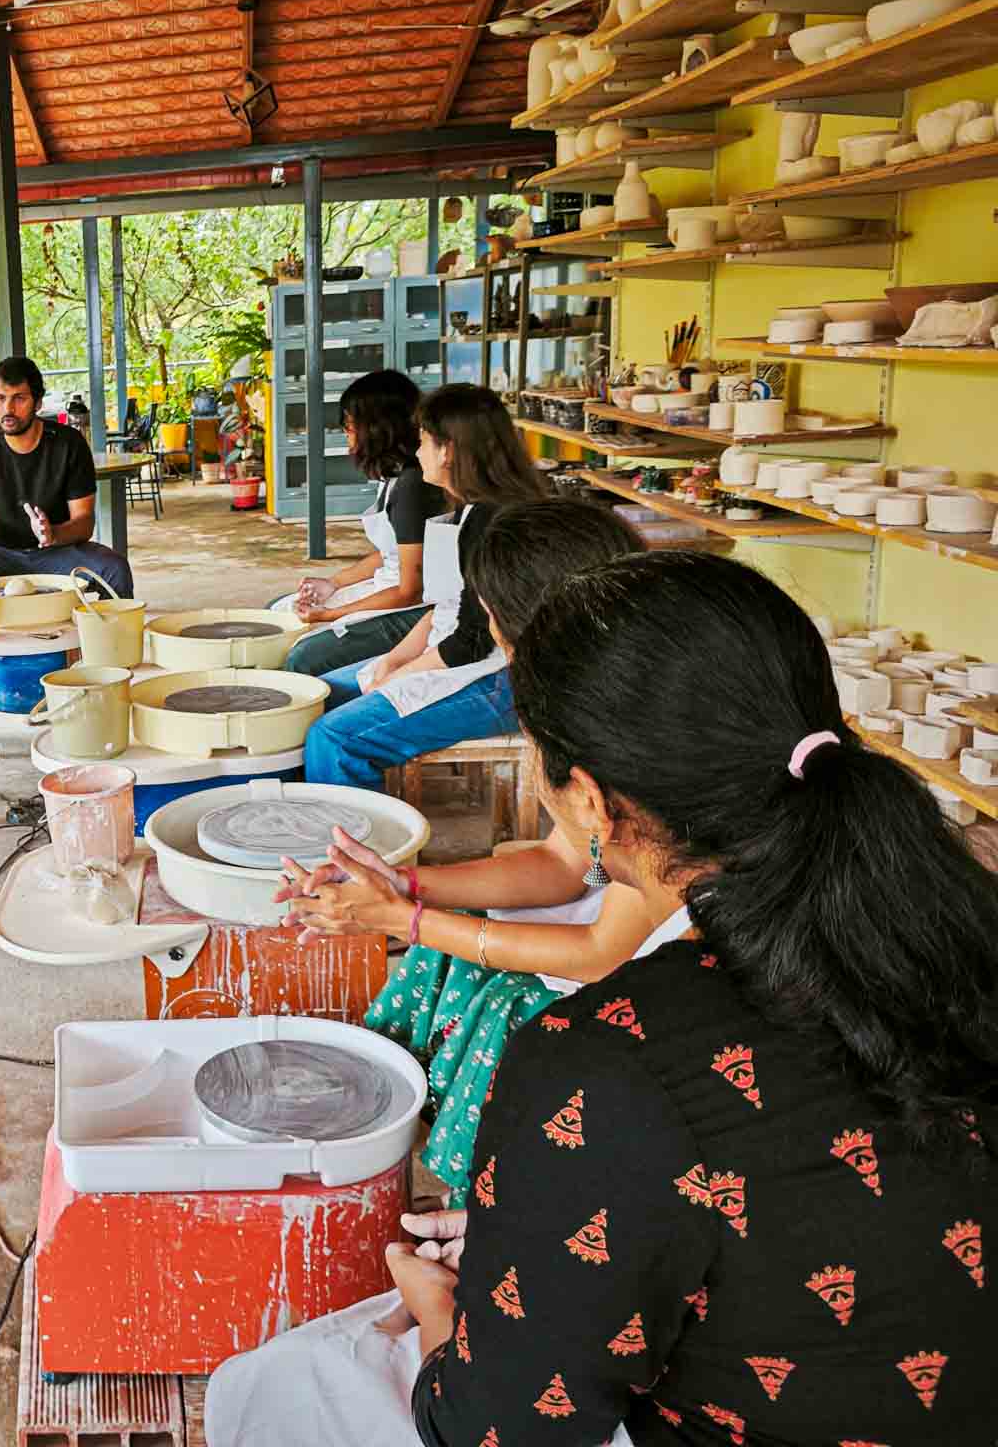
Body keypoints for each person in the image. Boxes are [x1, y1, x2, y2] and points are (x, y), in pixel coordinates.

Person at [207, 551, 998, 1446]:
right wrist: (553, 1219)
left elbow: (492, 1429)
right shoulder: (956, 924)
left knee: (273, 1385)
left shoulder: (603, 1058)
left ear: (589, 801)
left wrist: (441, 1317)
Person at [284, 500, 649, 1201]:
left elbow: (603, 950)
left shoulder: (641, 738)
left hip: (707, 958)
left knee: (505, 1004)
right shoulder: (571, 708)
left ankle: (482, 1211)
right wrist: (401, 887)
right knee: (447, 948)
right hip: (627, 916)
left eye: (486, 610)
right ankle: (411, 1147)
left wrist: (401, 920)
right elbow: (562, 867)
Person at [300, 384, 547, 790]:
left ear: (448, 450)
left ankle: (353, 847)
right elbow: (447, 606)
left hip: (501, 679)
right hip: (457, 653)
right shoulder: (471, 508)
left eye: (425, 442)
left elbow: (472, 641)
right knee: (316, 696)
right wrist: (393, 661)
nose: (417, 453)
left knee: (333, 737)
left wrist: (400, 674)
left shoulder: (496, 523)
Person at [0, 356, 134, 600]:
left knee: (114, 568)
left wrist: (53, 534)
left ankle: (108, 638)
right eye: (1, 398)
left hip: (57, 552)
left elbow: (84, 523)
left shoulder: (69, 444)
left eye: (19, 398)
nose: (8, 409)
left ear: (38, 403)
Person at [284, 370, 443, 679]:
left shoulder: (413, 485)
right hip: (397, 591)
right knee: (281, 607)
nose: (348, 437)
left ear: (376, 429)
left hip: (416, 609)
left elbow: (410, 590)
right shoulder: (396, 476)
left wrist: (331, 614)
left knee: (303, 656)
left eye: (349, 428)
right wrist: (334, 583)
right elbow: (392, 553)